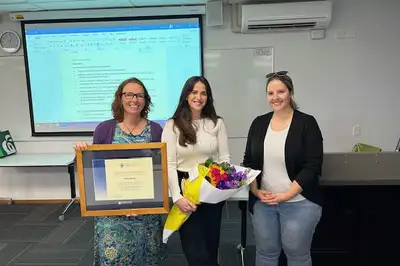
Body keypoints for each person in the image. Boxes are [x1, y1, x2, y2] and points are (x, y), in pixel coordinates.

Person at [73, 77, 167, 266]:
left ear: (145, 100)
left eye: (140, 95)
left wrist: (138, 203)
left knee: (147, 258)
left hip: (145, 209)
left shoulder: (156, 130)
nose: (135, 99)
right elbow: (94, 169)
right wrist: (81, 152)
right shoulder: (105, 129)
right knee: (115, 258)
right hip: (112, 211)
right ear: (120, 98)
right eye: (129, 94)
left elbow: (160, 169)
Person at [243, 71, 323, 266]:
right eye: (271, 93)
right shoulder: (259, 123)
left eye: (281, 91)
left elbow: (312, 165)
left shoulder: (306, 123)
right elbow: (249, 162)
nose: (275, 97)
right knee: (266, 254)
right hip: (264, 203)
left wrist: (286, 195)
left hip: (299, 202)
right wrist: (255, 190)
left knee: (297, 255)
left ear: (290, 93)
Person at [161, 76, 230, 266]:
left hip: (212, 189)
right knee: (195, 253)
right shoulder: (172, 125)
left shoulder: (217, 123)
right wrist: (177, 197)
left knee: (210, 248)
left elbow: (224, 159)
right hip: (186, 192)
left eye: (203, 93)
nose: (199, 97)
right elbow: (169, 164)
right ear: (186, 95)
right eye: (194, 92)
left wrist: (224, 188)